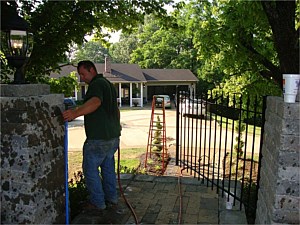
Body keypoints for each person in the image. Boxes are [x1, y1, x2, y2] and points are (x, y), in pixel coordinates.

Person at [63, 60, 121, 211]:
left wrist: (75, 113)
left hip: (98, 138)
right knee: (108, 168)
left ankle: (97, 202)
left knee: (90, 169)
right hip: (113, 137)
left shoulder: (96, 85)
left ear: (92, 70)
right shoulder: (107, 84)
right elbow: (113, 109)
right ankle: (112, 198)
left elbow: (95, 102)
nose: (82, 78)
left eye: (83, 74)